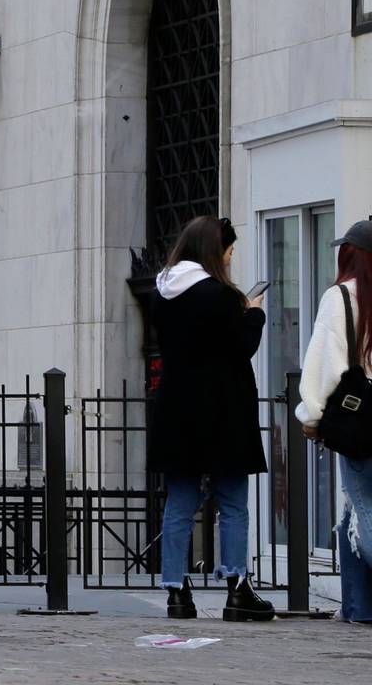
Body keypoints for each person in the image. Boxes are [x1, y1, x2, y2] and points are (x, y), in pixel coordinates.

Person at [148, 216, 274, 622]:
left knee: (179, 504)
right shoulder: (220, 296)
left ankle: (176, 591)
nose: (230, 259)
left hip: (178, 411)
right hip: (223, 410)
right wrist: (253, 314)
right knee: (233, 503)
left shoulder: (161, 293)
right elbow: (239, 347)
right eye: (229, 252)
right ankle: (237, 590)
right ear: (214, 251)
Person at [296, 217, 372, 624]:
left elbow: (325, 365)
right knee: (350, 519)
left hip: (363, 424)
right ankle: (358, 608)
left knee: (364, 511)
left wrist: (312, 416)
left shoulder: (342, 297)